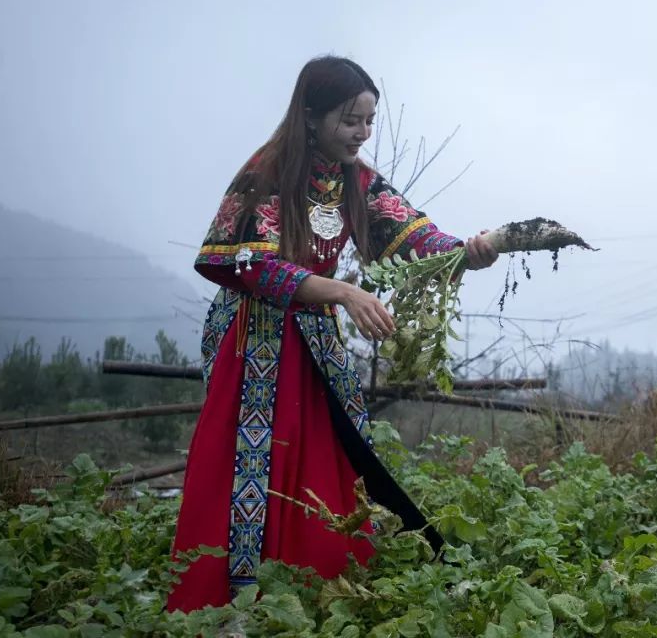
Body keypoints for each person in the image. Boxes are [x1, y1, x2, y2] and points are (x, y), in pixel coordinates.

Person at [167, 56, 498, 612]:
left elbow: (412, 235)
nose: (362, 133)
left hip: (316, 344)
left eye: (370, 121)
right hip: (255, 342)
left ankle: (313, 584)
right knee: (252, 460)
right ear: (311, 115)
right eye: (351, 120)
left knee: (328, 456)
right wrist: (343, 292)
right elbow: (248, 265)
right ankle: (231, 600)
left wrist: (468, 252)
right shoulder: (267, 172)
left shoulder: (358, 182)